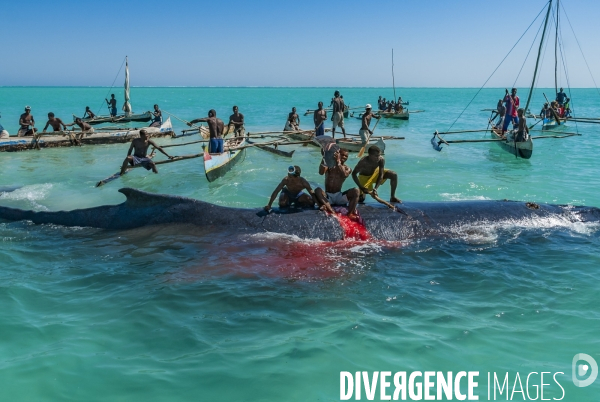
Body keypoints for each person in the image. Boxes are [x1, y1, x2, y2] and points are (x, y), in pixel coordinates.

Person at [315, 149, 360, 220]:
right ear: (337, 154)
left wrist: (338, 161)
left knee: (356, 191)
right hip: (328, 196)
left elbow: (344, 174)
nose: (344, 157)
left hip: (339, 196)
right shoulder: (329, 166)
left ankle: (350, 213)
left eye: (346, 156)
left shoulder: (347, 168)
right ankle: (330, 210)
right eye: (342, 155)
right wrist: (324, 157)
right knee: (317, 190)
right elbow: (321, 172)